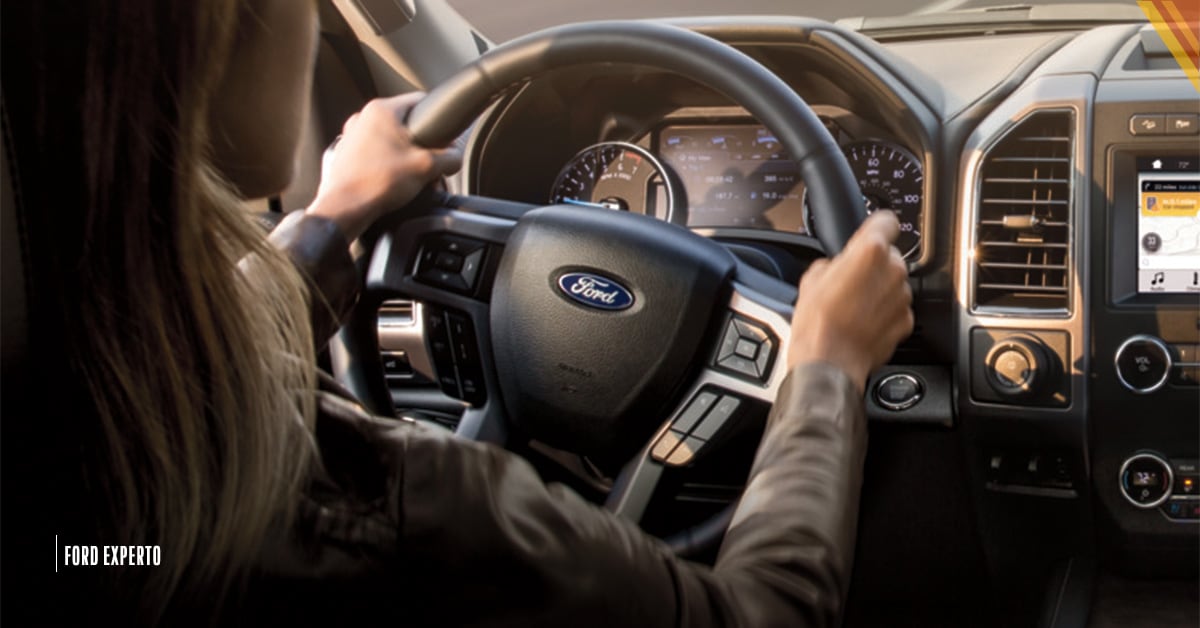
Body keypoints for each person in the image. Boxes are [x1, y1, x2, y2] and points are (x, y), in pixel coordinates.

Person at [0, 1, 912, 626]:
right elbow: (761, 613)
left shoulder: (83, 495)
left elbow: (201, 366)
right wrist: (824, 370)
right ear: (208, 42)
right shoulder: (393, 507)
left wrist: (329, 220)